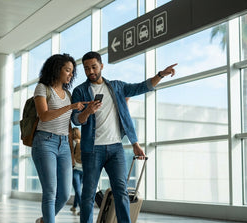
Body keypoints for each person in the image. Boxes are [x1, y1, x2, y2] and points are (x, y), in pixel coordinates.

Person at [71, 51, 177, 223]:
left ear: (101, 66)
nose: (90, 71)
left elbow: (141, 87)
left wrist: (160, 75)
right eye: (86, 68)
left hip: (115, 149)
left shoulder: (117, 87)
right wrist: (88, 111)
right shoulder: (80, 91)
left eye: (94, 67)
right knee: (88, 195)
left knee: (121, 192)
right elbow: (76, 120)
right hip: (92, 150)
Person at [32, 54, 86, 223]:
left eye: (72, 72)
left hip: (64, 144)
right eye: (67, 70)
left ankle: (43, 220)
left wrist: (87, 110)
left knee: (63, 194)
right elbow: (45, 116)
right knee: (50, 191)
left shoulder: (68, 94)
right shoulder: (42, 88)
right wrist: (70, 107)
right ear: (57, 70)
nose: (70, 75)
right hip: (45, 142)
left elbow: (70, 125)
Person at [70, 127, 83, 215]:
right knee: (78, 189)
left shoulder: (73, 143)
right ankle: (74, 206)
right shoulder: (82, 142)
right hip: (83, 169)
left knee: (77, 190)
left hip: (75, 170)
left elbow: (70, 155)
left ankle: (82, 209)